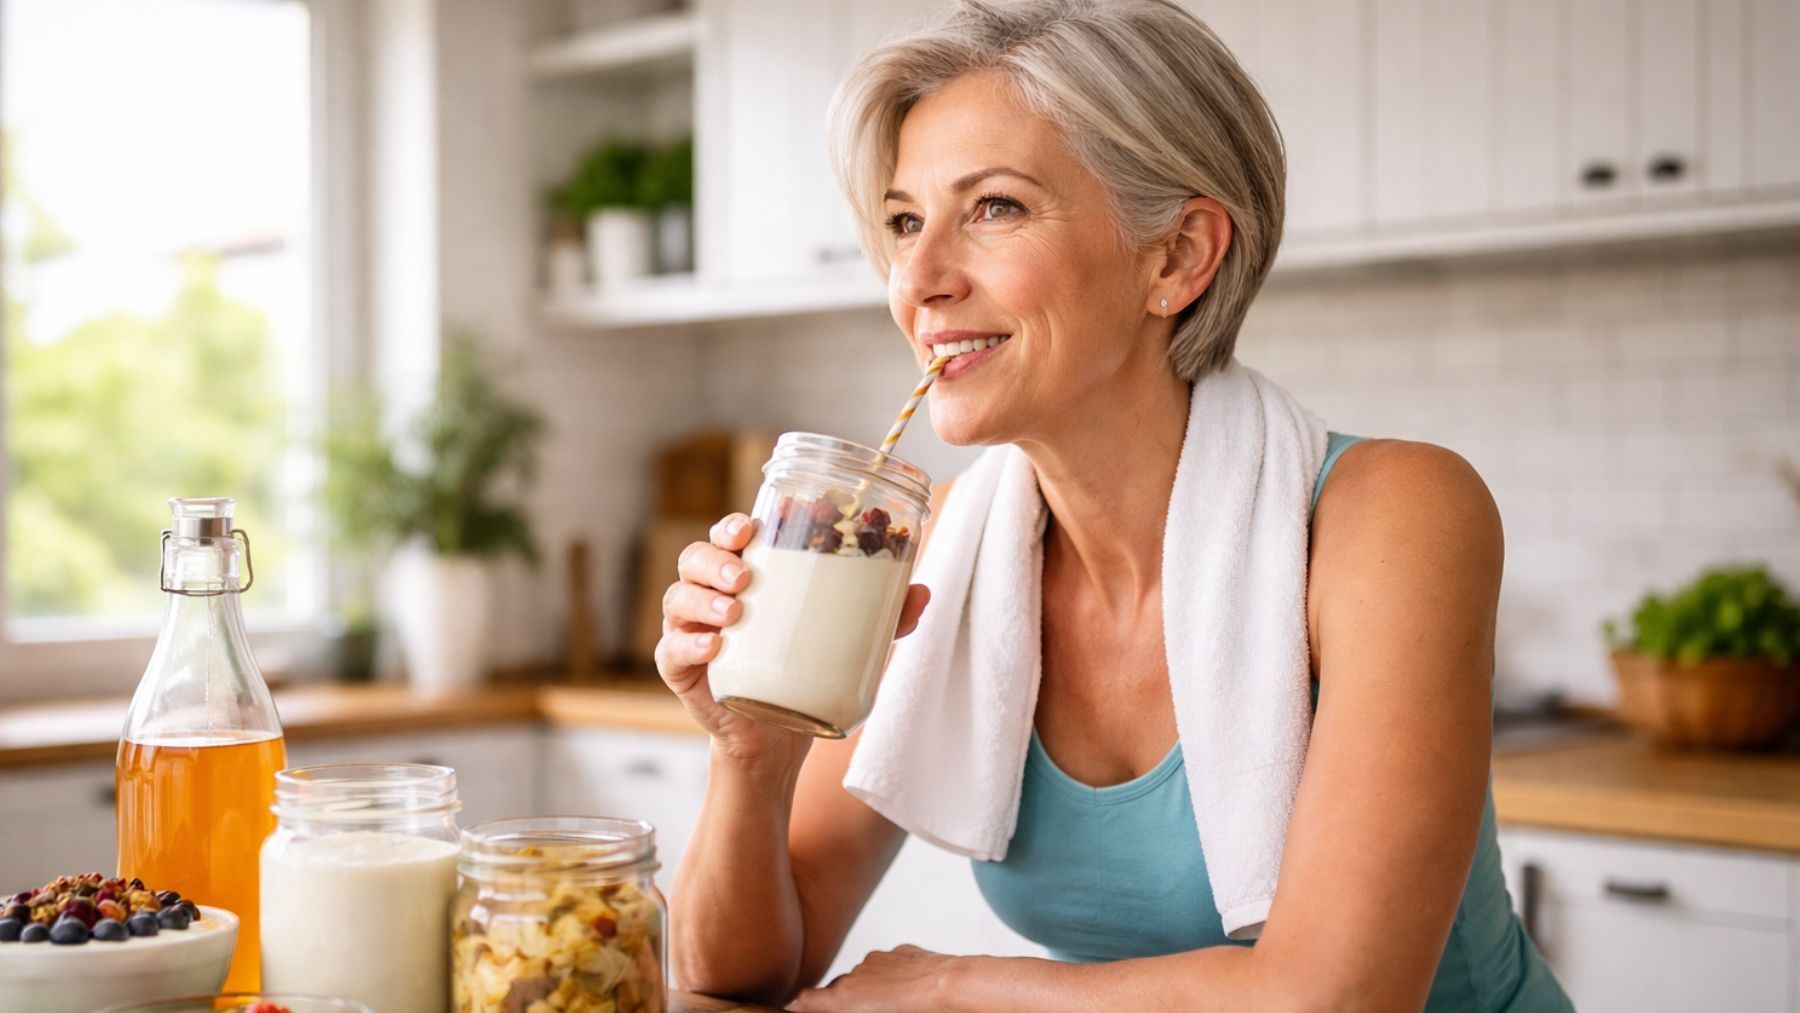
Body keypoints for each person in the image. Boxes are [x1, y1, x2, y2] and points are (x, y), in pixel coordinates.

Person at [654, 2, 1574, 1009]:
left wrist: (952, 988)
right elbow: (738, 972)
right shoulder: (940, 549)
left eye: (995, 207)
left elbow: (1339, 996)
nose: (915, 279)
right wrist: (753, 750)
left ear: (1176, 256)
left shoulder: (1394, 513)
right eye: (905, 220)